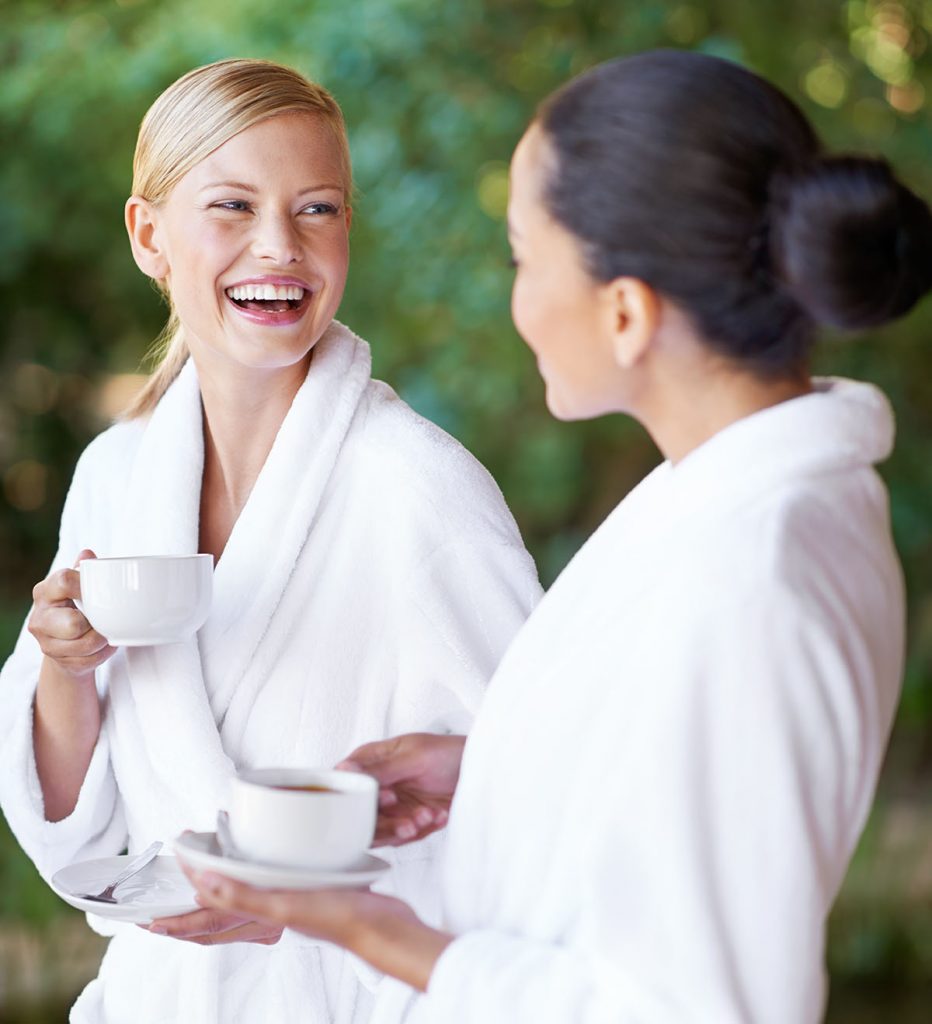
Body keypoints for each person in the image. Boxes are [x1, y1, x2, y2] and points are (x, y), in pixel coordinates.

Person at [186, 49, 932, 1022]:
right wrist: (498, 761)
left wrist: (363, 925)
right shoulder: (720, 502)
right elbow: (673, 782)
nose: (516, 301)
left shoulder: (751, 573)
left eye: (521, 258)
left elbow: (696, 1006)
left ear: (624, 311)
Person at [0, 58, 542, 1023]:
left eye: (319, 209)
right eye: (232, 207)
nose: (279, 247)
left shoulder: (418, 487)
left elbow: (550, 795)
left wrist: (313, 904)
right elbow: (80, 840)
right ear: (147, 234)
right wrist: (64, 668)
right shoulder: (116, 475)